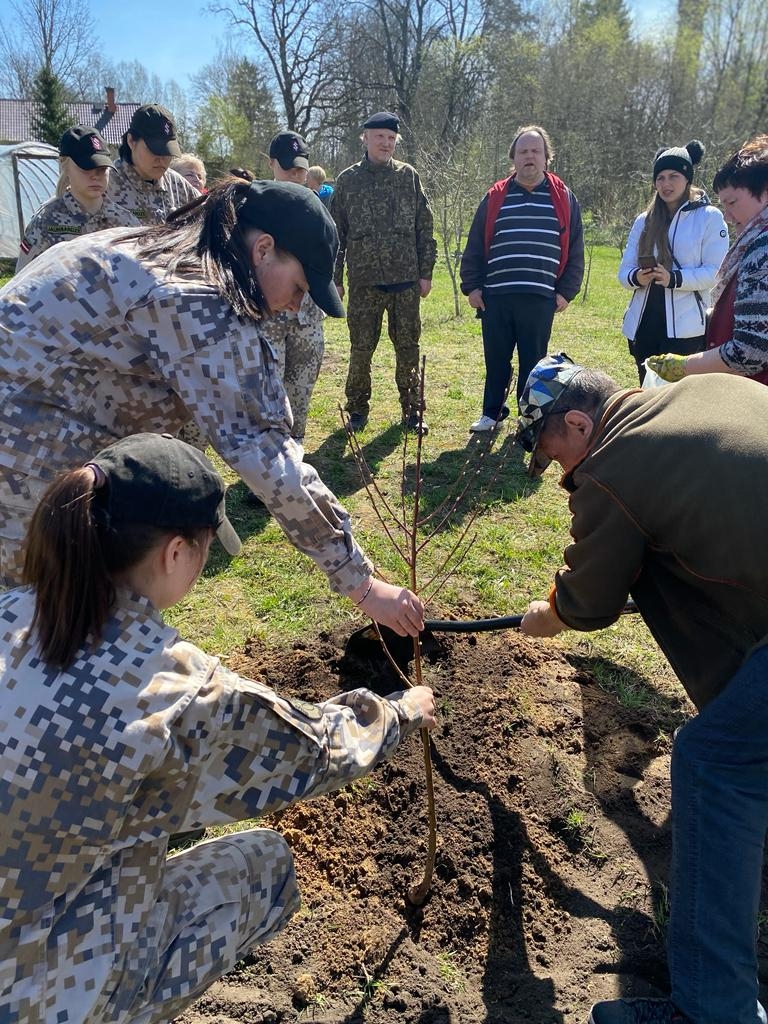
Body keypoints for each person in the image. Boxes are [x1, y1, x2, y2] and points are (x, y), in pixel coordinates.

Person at [0, 430, 436, 1024]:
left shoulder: (10, 612)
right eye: (206, 548)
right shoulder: (174, 693)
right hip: (32, 996)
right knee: (265, 864)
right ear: (175, 553)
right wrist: (402, 711)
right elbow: (313, 751)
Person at [0, 177, 426, 638]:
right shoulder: (201, 304)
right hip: (21, 462)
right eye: (300, 288)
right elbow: (267, 453)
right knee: (43, 619)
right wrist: (361, 584)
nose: (294, 308)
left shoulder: (158, 248)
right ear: (263, 249)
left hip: (35, 433)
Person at [515, 353, 768, 1024]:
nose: (561, 470)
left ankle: (714, 1011)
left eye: (553, 451)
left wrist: (546, 616)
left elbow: (588, 603)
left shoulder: (615, 465)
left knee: (715, 763)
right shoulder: (710, 389)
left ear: (577, 421)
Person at [460, 125, 584, 432]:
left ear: (546, 158)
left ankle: (528, 419)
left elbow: (577, 248)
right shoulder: (495, 197)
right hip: (496, 296)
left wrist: (566, 292)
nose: (529, 156)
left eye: (536, 151)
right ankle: (491, 413)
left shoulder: (564, 198)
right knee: (496, 360)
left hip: (541, 296)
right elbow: (475, 242)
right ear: (513, 158)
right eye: (523, 151)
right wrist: (471, 286)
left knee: (534, 363)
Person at [331, 110, 437, 435]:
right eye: (380, 137)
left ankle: (412, 412)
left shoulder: (408, 177)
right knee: (361, 349)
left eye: (391, 139)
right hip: (364, 283)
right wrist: (336, 280)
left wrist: (426, 272)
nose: (386, 144)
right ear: (365, 137)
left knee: (408, 348)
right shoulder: (348, 181)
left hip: (405, 281)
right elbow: (336, 234)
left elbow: (425, 225)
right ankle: (358, 410)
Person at [648, 134, 768, 385]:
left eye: (732, 202)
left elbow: (750, 352)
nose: (728, 214)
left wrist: (685, 365)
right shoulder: (756, 240)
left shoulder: (763, 248)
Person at [618, 140, 729, 382]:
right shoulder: (643, 220)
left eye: (673, 176)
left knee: (676, 396)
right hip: (643, 325)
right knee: (646, 391)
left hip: (686, 328)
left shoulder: (709, 217)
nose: (666, 184)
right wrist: (637, 276)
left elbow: (716, 272)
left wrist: (673, 279)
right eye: (660, 178)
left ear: (687, 178)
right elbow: (624, 272)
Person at [260, 131, 326, 445]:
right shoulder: (254, 206)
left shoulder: (316, 206)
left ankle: (295, 449)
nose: (295, 175)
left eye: (301, 169)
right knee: (270, 392)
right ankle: (269, 462)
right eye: (289, 168)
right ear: (271, 163)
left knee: (301, 388)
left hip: (308, 316)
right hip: (268, 318)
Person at [15, 125, 139, 271]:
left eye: (102, 169)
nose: (95, 176)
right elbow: (23, 280)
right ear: (64, 164)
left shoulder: (126, 222)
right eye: (86, 167)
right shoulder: (46, 222)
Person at [107, 103, 200, 223]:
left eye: (167, 151)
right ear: (131, 141)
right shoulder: (105, 184)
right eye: (153, 149)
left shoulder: (177, 185)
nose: (161, 158)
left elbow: (210, 211)